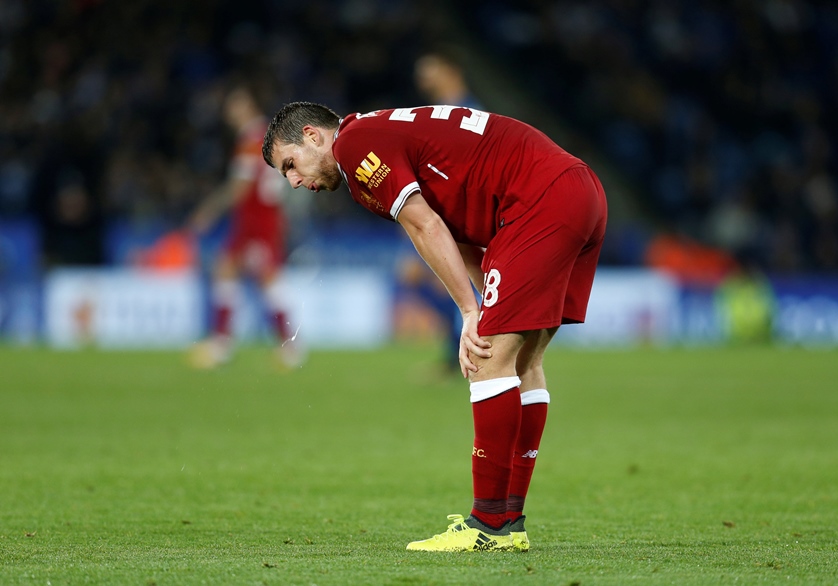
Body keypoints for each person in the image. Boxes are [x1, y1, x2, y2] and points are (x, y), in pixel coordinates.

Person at [262, 102, 607, 551]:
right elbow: (452, 229)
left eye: (290, 164)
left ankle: (488, 525)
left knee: (486, 359)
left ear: (313, 136)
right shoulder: (375, 132)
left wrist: (470, 313)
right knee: (523, 362)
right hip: (576, 191)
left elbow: (425, 226)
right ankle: (509, 522)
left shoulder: (353, 146)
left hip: (538, 200)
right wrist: (487, 298)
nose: (293, 181)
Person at [189, 85, 304, 370]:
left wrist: (207, 212)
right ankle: (223, 343)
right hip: (263, 216)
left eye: (236, 105)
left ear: (250, 105)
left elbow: (240, 188)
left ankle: (288, 345)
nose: (230, 112)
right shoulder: (268, 134)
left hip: (257, 218)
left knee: (266, 278)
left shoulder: (252, 139)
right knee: (229, 269)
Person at [394, 48, 485, 375]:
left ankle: (466, 355)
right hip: (435, 214)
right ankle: (459, 352)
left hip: (460, 217)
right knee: (423, 281)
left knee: (455, 286)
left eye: (429, 69)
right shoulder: (433, 113)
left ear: (451, 70)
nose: (423, 78)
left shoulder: (470, 111)